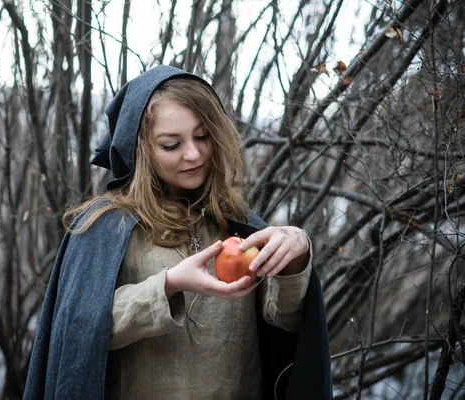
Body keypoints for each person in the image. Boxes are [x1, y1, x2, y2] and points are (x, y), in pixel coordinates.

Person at [23, 65, 331, 400]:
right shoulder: (104, 227)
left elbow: (284, 325)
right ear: (141, 151)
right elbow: (77, 333)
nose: (194, 154)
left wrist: (296, 257)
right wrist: (169, 284)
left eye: (202, 137)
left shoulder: (238, 223)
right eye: (171, 144)